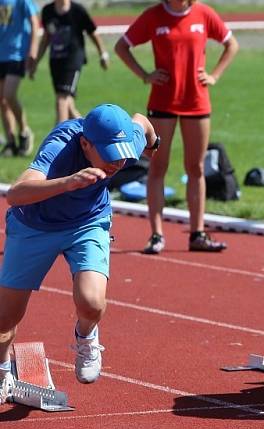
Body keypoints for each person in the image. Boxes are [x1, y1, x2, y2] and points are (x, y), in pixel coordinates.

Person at [0, 104, 159, 399]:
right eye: (111, 154)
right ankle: (2, 373)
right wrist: (68, 183)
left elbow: (142, 122)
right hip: (34, 224)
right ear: (85, 144)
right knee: (5, 318)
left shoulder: (126, 142)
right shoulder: (60, 146)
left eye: (123, 152)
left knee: (92, 302)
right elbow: (16, 194)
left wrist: (154, 143)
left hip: (88, 222)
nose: (119, 162)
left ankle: (86, 336)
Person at [114, 0, 239, 254]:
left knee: (195, 167)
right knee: (158, 166)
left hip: (196, 102)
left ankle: (197, 233)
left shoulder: (203, 13)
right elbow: (122, 46)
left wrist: (214, 75)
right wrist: (145, 75)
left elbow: (231, 44)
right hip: (162, 103)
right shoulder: (153, 16)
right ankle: (156, 235)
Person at [34, 0, 110, 125]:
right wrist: (35, 62)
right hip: (55, 60)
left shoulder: (78, 10)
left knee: (61, 100)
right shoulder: (47, 11)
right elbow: (46, 38)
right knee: (68, 105)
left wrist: (103, 54)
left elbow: (92, 32)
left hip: (73, 60)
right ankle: (89, 134)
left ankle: (60, 139)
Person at [0, 0, 40, 157]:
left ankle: (24, 131)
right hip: (1, 55)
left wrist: (33, 49)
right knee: (2, 101)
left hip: (16, 54)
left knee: (9, 95)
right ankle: (10, 143)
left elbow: (34, 23)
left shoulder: (22, 1)